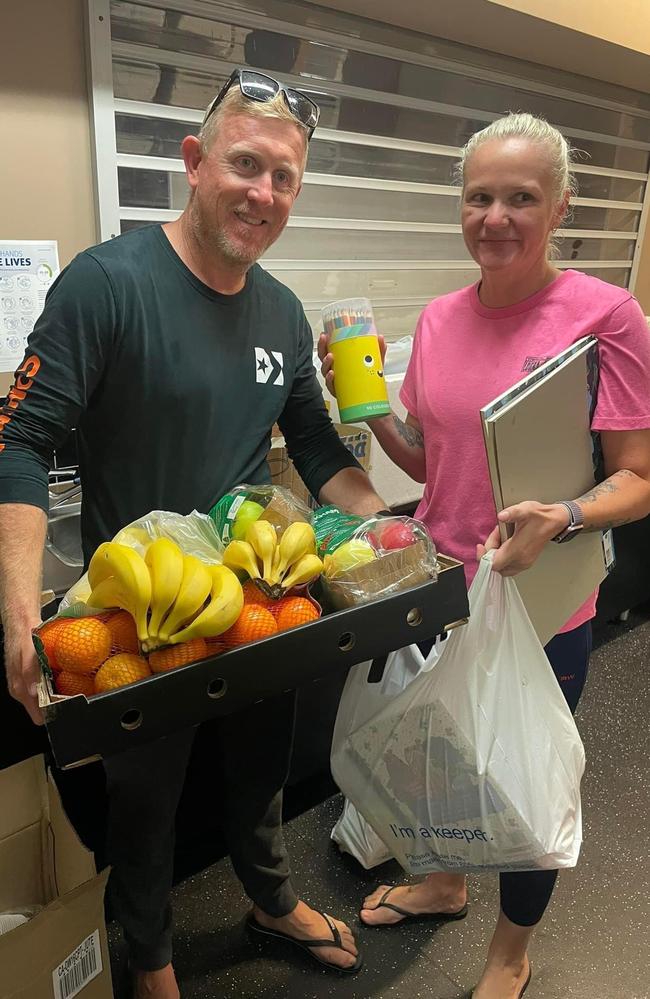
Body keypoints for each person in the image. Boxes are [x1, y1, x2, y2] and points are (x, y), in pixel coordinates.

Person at [0, 68, 388, 999]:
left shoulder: (283, 313)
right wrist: (17, 615)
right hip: (146, 617)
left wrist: (400, 545)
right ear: (194, 161)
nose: (263, 192)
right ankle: (152, 954)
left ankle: (270, 896)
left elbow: (319, 449)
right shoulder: (106, 284)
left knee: (261, 767)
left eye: (284, 177)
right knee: (146, 798)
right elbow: (19, 441)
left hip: (260, 597)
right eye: (245, 164)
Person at [319, 112, 650, 999]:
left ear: (561, 207)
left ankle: (511, 952)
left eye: (521, 197)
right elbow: (436, 462)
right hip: (444, 586)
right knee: (446, 758)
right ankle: (443, 881)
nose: (495, 215)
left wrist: (569, 515)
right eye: (479, 196)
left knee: (524, 781)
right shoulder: (436, 319)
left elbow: (638, 478)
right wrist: (366, 410)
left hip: (545, 594)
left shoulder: (606, 316)